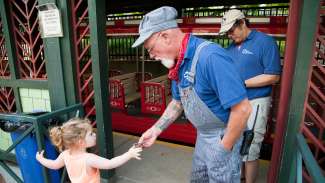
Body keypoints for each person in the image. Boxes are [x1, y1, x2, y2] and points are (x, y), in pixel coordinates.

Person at [132, 6, 252, 182]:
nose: (151, 55)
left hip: (223, 136)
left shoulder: (210, 57)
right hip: (203, 136)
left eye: (150, 48)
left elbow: (243, 110)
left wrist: (223, 148)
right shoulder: (178, 64)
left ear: (165, 36)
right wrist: (156, 129)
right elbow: (177, 103)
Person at [219, 9, 281, 183]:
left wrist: (242, 83)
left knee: (250, 146)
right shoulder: (230, 49)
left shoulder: (265, 42)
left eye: (231, 31)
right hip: (234, 103)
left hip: (256, 101)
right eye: (227, 33)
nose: (230, 36)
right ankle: (240, 178)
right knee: (236, 145)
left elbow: (273, 76)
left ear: (242, 23)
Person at [35, 118, 142, 183]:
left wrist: (41, 159)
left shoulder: (65, 155)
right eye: (91, 134)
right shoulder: (89, 159)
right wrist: (129, 154)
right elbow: (110, 163)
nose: (94, 134)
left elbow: (54, 165)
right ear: (80, 142)